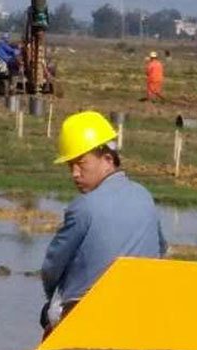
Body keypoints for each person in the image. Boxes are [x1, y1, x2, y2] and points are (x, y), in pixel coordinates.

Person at [40, 111, 166, 334]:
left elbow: (52, 268)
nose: (75, 174)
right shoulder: (144, 196)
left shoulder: (83, 208)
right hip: (142, 313)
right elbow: (161, 248)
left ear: (108, 160)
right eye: (70, 166)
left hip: (87, 316)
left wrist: (51, 302)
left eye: (81, 164)